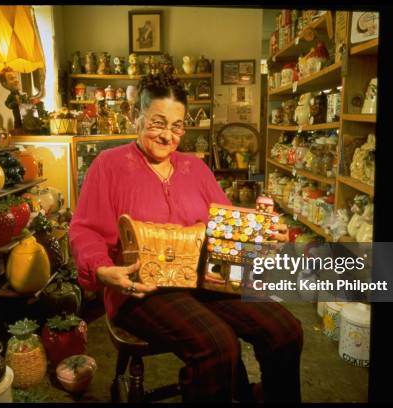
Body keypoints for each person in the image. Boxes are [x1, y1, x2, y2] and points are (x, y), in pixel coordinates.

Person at [69, 73, 303, 403]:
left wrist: (266, 233)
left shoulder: (196, 168)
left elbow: (226, 225)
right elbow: (84, 230)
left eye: (177, 126)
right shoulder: (109, 165)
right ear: (139, 116)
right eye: (158, 123)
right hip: (140, 287)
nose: (168, 135)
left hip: (205, 278)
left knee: (284, 330)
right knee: (217, 345)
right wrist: (102, 270)